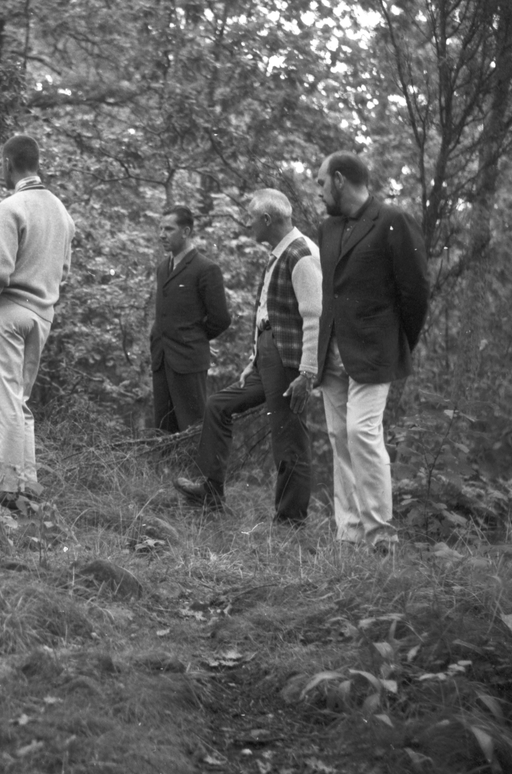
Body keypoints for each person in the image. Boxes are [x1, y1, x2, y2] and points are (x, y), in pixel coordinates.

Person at [174, 189, 320, 524]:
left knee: (288, 437)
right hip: (268, 356)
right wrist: (254, 361)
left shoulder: (301, 254)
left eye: (251, 218)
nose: (247, 224)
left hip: (289, 361)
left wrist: (307, 372)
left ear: (267, 219)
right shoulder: (278, 253)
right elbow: (269, 314)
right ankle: (210, 492)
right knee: (218, 405)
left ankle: (290, 522)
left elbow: (314, 316)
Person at [315, 151, 430, 549]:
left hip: (375, 352)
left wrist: (398, 344)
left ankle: (381, 536)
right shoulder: (327, 229)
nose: (319, 191)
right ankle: (349, 534)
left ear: (340, 180)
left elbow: (416, 292)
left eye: (321, 182)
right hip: (331, 352)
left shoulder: (393, 220)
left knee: (361, 433)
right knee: (339, 438)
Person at [0, 134, 75, 508]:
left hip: (7, 311)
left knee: (4, 404)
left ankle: (7, 489)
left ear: (7, 163)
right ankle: (28, 487)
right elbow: (64, 271)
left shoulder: (10, 207)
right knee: (21, 403)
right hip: (41, 316)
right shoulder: (62, 213)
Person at [150, 206, 231, 432]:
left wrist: (193, 337)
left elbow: (221, 319)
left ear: (186, 232)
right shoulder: (163, 268)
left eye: (169, 229)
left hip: (188, 361)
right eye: (160, 229)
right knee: (164, 431)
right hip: (162, 360)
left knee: (193, 429)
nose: (162, 235)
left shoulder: (206, 269)